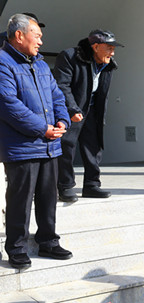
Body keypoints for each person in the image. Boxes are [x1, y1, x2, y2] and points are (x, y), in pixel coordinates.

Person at [0, 14, 72, 269]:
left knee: (48, 197)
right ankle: (17, 248)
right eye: (37, 36)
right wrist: (43, 129)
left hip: (49, 145)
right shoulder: (3, 62)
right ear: (19, 36)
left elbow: (57, 95)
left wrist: (62, 120)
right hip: (22, 147)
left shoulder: (40, 64)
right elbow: (8, 105)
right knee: (20, 200)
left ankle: (48, 241)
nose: (41, 41)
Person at [54, 29, 123, 202]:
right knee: (66, 145)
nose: (112, 52)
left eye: (113, 48)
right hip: (71, 109)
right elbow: (61, 85)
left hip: (92, 109)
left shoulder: (108, 64)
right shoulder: (69, 56)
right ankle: (65, 186)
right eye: (109, 48)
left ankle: (92, 185)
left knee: (93, 146)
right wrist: (72, 109)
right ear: (96, 46)